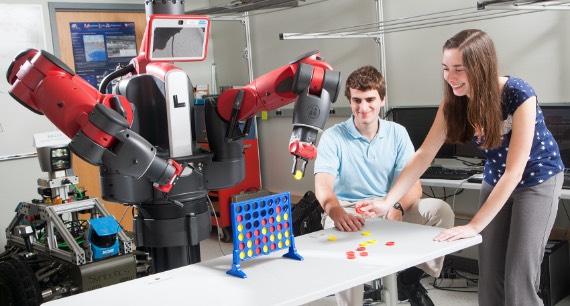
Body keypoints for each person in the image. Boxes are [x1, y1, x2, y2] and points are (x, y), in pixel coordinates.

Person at [359, 29, 564, 306]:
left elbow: (516, 171)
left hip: (537, 178)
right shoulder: (454, 103)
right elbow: (424, 154)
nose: (450, 77)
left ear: (480, 67)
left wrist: (474, 225)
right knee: (490, 280)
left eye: (458, 69)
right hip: (496, 177)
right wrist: (387, 202)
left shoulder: (519, 94)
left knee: (519, 282)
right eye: (445, 69)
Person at [314, 65, 455, 306]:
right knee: (341, 250)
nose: (363, 108)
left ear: (382, 99)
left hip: (391, 204)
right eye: (357, 100)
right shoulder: (332, 137)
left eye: (370, 99)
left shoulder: (397, 133)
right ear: (350, 100)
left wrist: (397, 206)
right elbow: (323, 185)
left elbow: (413, 186)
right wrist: (336, 212)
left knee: (441, 211)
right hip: (349, 209)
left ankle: (409, 279)